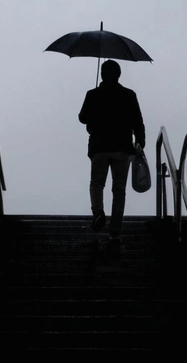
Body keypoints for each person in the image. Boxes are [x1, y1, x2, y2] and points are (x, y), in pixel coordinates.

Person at [78, 59, 145, 246]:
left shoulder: (93, 94)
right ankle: (115, 231)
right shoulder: (129, 95)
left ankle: (98, 212)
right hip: (122, 148)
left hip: (99, 147)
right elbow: (138, 121)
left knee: (97, 183)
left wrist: (94, 101)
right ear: (118, 75)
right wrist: (140, 143)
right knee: (119, 190)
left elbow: (82, 118)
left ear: (102, 74)